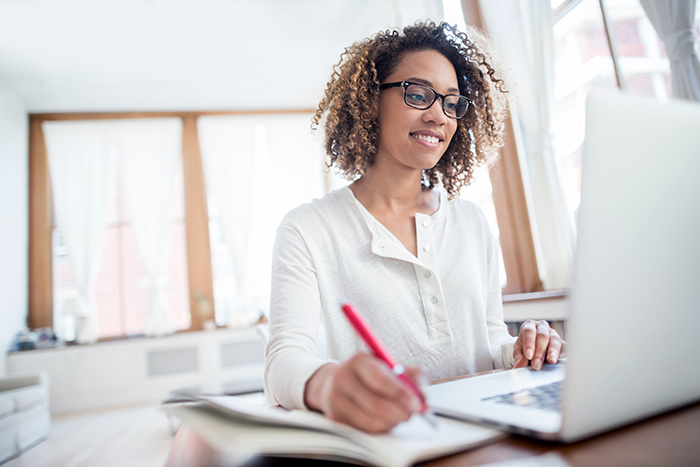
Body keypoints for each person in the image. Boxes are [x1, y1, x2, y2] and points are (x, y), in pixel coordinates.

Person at [264, 20, 563, 433]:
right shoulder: (309, 228)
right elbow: (283, 359)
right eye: (418, 94)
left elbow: (490, 339)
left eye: (453, 103)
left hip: (488, 429)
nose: (438, 115)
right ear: (371, 101)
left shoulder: (471, 221)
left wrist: (521, 347)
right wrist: (327, 384)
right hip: (395, 438)